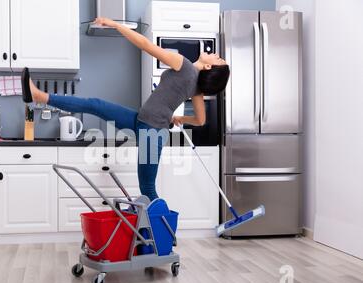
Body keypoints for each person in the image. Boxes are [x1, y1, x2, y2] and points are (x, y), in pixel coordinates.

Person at [21, 17, 230, 202]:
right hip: (142, 121)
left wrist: (114, 24)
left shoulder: (183, 64)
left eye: (218, 59)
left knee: (147, 189)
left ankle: (163, 234)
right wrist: (179, 119)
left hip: (152, 132)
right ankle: (40, 96)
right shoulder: (197, 90)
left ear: (210, 67)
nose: (217, 54)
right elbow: (201, 121)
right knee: (95, 104)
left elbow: (145, 44)